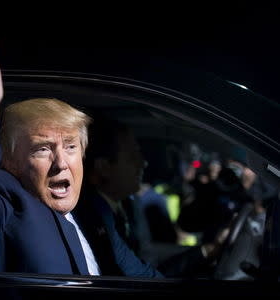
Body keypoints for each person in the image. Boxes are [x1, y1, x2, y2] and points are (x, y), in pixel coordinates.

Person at [0, 19, 162, 277]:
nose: (61, 163)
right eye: (43, 148)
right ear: (9, 161)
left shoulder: (94, 213)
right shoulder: (6, 202)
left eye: (71, 146)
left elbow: (143, 277)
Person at [84, 116, 229, 277]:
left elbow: (148, 254)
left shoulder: (128, 203)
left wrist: (207, 250)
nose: (142, 163)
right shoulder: (95, 217)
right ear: (104, 167)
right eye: (132, 157)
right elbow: (138, 275)